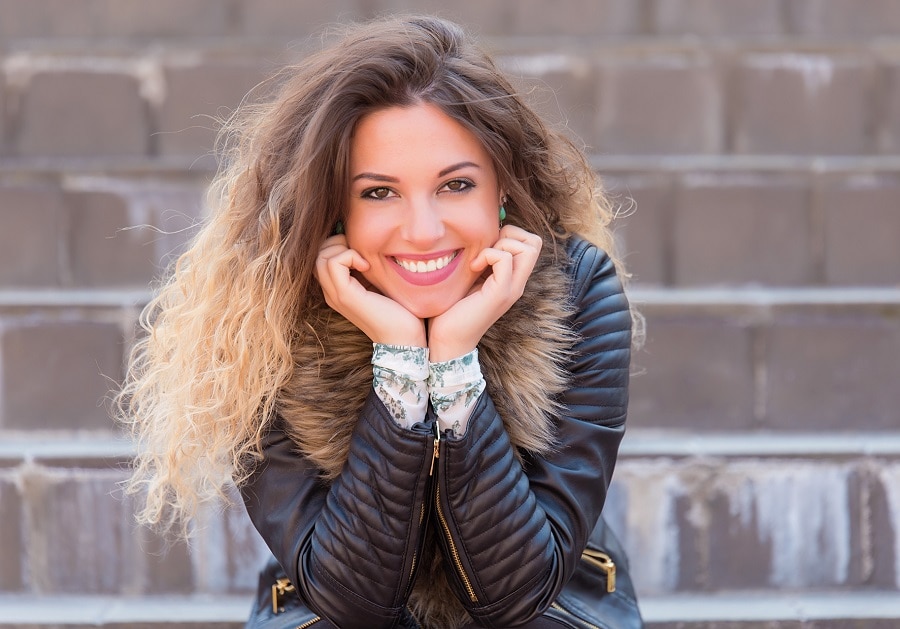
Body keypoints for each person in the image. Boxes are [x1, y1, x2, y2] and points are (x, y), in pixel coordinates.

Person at [118, 14, 639, 629]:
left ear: (503, 188)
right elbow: (348, 603)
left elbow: (517, 594)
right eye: (378, 193)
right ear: (333, 208)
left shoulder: (578, 291)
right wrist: (399, 359)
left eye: (455, 185)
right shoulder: (260, 314)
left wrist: (452, 363)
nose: (422, 230)